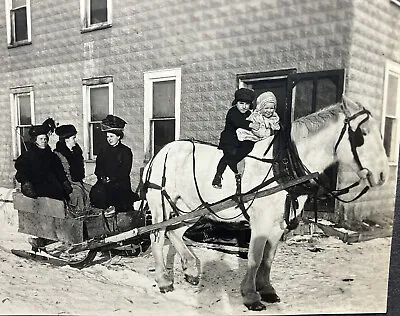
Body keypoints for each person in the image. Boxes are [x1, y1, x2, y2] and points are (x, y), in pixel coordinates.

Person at [89, 115, 139, 214]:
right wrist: (102, 177)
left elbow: (125, 171)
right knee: (96, 192)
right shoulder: (103, 150)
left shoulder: (126, 151)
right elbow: (98, 168)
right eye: (107, 136)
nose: (109, 139)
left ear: (119, 137)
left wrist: (112, 178)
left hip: (120, 183)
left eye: (111, 136)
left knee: (119, 197)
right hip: (104, 183)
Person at [212, 88, 258, 189]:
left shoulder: (249, 114)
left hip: (243, 139)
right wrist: (251, 125)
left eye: (247, 104)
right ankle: (218, 175)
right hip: (230, 139)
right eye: (241, 103)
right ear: (236, 103)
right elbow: (237, 122)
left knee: (249, 146)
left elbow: (255, 120)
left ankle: (237, 165)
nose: (244, 106)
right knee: (229, 154)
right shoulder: (232, 112)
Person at [15, 124, 73, 201]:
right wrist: (26, 183)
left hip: (53, 186)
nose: (44, 141)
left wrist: (64, 181)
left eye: (45, 139)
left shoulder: (52, 156)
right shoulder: (27, 156)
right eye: (41, 139)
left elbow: (59, 171)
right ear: (35, 140)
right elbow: (21, 172)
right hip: (37, 187)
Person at [54, 124, 89, 215]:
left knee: (91, 191)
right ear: (66, 140)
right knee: (78, 194)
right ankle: (78, 217)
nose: (75, 140)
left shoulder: (76, 152)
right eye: (73, 138)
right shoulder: (58, 155)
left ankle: (90, 217)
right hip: (66, 184)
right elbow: (59, 174)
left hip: (77, 181)